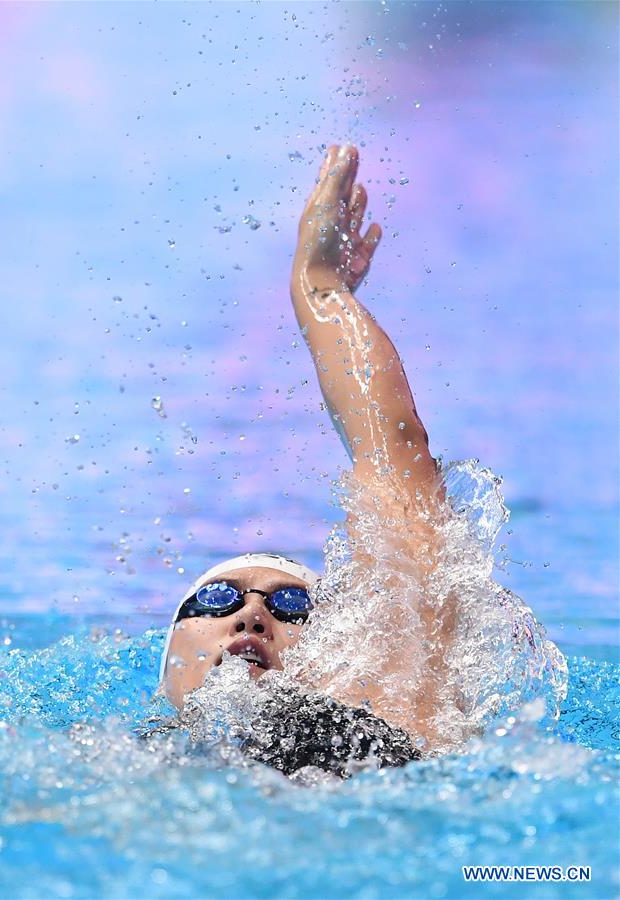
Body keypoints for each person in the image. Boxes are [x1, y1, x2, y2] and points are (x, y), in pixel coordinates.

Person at [153, 144, 471, 776]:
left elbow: (397, 469)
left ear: (343, 649)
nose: (252, 616)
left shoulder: (382, 736)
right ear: (167, 664)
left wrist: (319, 291)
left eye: (294, 607)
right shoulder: (100, 764)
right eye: (215, 599)